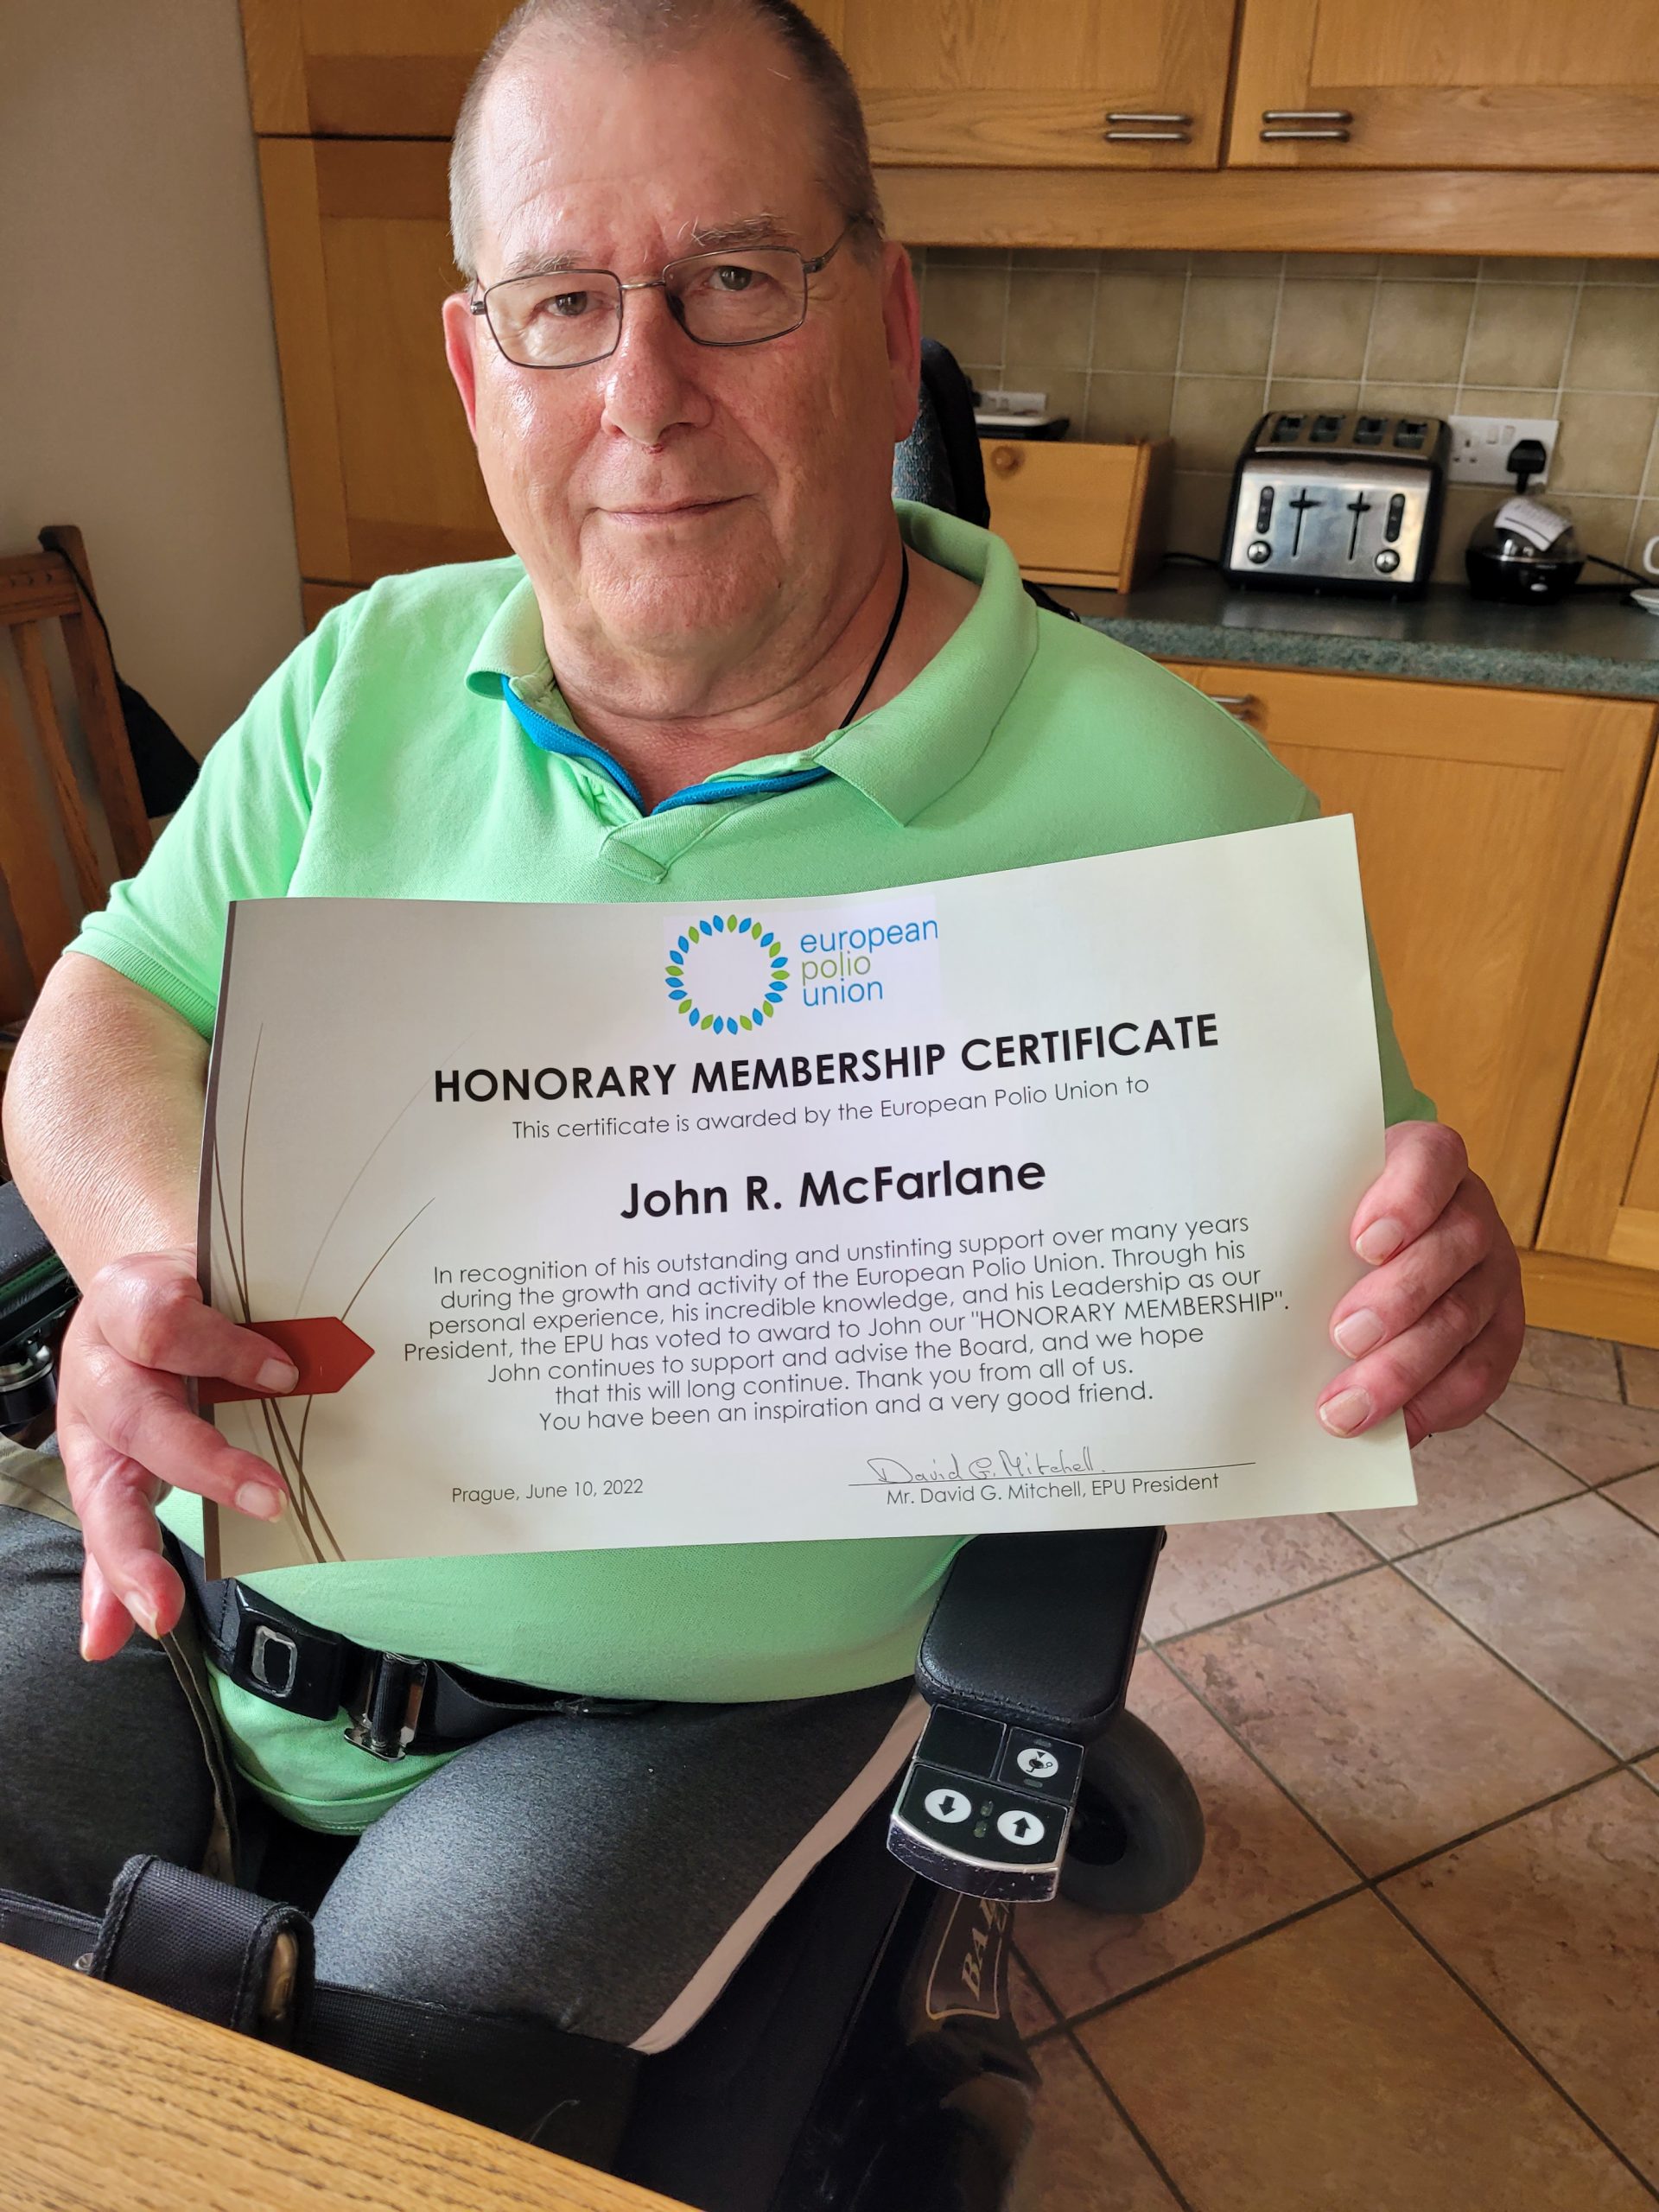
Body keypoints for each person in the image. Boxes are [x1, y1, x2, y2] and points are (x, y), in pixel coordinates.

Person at [0, 0, 1522, 2053]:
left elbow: (1366, 1292)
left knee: (385, 2101)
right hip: (189, 1613)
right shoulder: (361, 680)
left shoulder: (1177, 807)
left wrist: (1442, 1301)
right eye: (563, 303)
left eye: (733, 282)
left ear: (888, 332)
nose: (645, 393)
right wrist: (143, 1255)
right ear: (474, 365)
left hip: (677, 1724)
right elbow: (107, 1002)